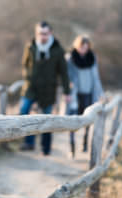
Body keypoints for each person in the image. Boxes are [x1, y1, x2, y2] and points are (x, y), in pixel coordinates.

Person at [20, 21, 71, 155]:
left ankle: (46, 147)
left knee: (47, 118)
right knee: (24, 111)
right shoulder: (30, 46)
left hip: (48, 89)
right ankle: (28, 142)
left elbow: (64, 73)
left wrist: (67, 91)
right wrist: (28, 77)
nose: (42, 36)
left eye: (45, 34)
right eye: (40, 33)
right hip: (30, 88)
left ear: (50, 33)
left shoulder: (58, 50)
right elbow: (25, 65)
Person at [66, 35, 104, 158]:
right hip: (75, 95)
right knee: (71, 121)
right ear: (77, 46)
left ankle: (85, 141)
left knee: (88, 119)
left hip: (88, 94)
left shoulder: (92, 59)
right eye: (82, 47)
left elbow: (96, 78)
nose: (84, 50)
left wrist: (100, 94)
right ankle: (72, 146)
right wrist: (67, 92)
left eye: (86, 47)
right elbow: (65, 77)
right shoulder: (70, 59)